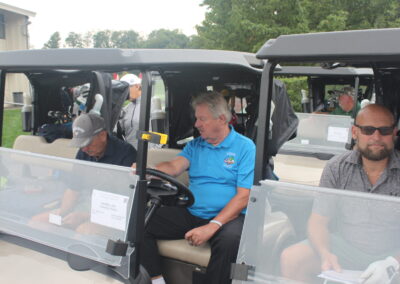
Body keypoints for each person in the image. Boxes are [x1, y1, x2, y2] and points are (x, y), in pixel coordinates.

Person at [139, 92, 256, 284]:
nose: (196, 124)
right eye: (196, 118)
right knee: (140, 221)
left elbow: (243, 196)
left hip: (228, 217)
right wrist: (149, 170)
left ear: (221, 119)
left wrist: (212, 226)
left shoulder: (245, 147)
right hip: (193, 211)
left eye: (202, 119)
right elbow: (174, 167)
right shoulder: (195, 146)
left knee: (230, 241)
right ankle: (157, 280)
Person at [280, 104, 400, 284]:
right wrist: (325, 253)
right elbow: (318, 222)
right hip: (346, 248)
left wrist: (393, 263)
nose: (376, 137)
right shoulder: (337, 167)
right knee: (292, 258)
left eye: (384, 130)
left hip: (392, 251)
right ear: (354, 132)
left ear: (394, 133)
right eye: (368, 130)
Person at [30, 113, 137, 231]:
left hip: (113, 214)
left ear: (102, 135)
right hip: (85, 206)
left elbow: (124, 204)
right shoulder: (85, 152)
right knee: (37, 222)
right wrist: (62, 213)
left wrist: (84, 216)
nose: (84, 149)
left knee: (84, 230)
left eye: (87, 143)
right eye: (80, 145)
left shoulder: (126, 154)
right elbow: (73, 188)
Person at [118, 73, 143, 149]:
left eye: (126, 89)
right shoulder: (126, 108)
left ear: (137, 86)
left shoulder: (151, 104)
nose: (125, 93)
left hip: (147, 154)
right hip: (130, 153)